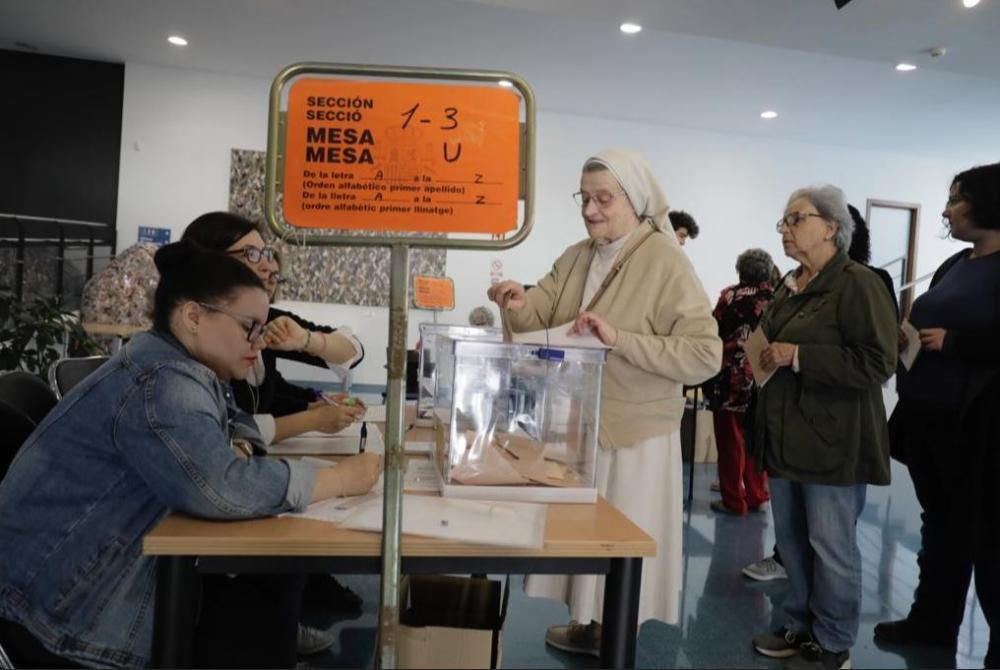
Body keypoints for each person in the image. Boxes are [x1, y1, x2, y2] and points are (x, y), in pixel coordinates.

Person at [0, 240, 382, 668]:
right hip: (62, 615)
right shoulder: (163, 381)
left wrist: (230, 447)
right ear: (194, 316)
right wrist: (340, 480)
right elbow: (219, 486)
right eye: (249, 327)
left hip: (83, 582)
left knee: (269, 592)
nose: (259, 341)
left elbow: (236, 423)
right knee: (260, 606)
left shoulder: (181, 364)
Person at [488, 149, 721, 656]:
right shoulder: (579, 254)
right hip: (578, 424)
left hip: (635, 431)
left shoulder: (665, 261)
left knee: (621, 542)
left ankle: (618, 630)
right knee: (585, 537)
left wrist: (620, 338)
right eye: (585, 198)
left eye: (603, 199)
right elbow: (543, 307)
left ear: (634, 202)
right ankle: (592, 623)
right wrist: (518, 301)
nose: (590, 210)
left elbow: (706, 355)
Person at [748, 185, 897, 670]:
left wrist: (800, 355)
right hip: (786, 435)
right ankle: (797, 623)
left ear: (832, 227)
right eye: (783, 222)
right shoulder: (792, 284)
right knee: (791, 541)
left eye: (796, 219)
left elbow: (878, 361)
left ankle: (832, 641)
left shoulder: (859, 283)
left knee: (830, 546)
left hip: (833, 441)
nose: (786, 230)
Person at [873, 162, 1000, 668]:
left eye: (957, 199)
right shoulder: (956, 263)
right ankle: (932, 621)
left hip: (974, 424)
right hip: (927, 415)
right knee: (941, 526)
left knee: (982, 534)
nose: (948, 210)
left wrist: (957, 342)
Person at [181, 212, 366, 445]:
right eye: (251, 254)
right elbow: (225, 431)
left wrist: (306, 340)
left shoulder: (268, 321)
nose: (268, 267)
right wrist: (313, 417)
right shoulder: (194, 347)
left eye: (266, 253)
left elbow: (353, 351)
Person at [704, 248, 775, 515]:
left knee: (730, 441)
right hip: (763, 378)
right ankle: (757, 494)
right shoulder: (776, 298)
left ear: (740, 270)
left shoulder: (729, 296)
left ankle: (734, 499)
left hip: (729, 380)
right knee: (756, 439)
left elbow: (713, 331)